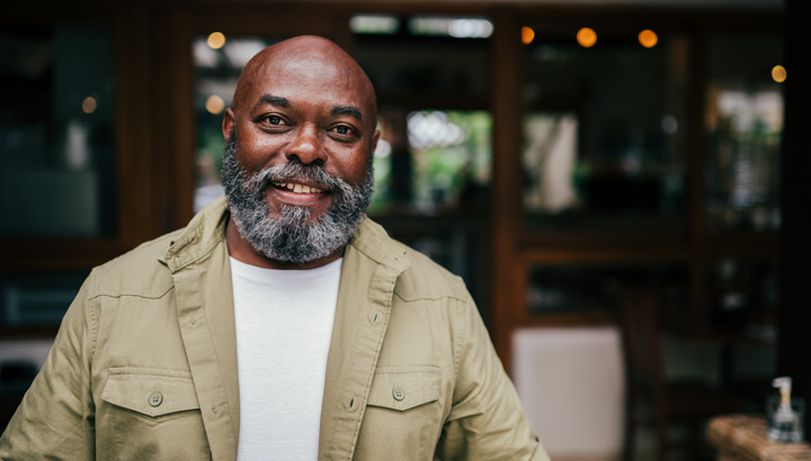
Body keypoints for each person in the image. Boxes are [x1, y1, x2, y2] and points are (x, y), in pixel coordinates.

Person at [0, 35, 548, 460]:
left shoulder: (440, 306)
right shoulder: (114, 297)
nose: (307, 149)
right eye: (275, 121)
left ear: (371, 151)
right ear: (232, 132)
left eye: (341, 130)